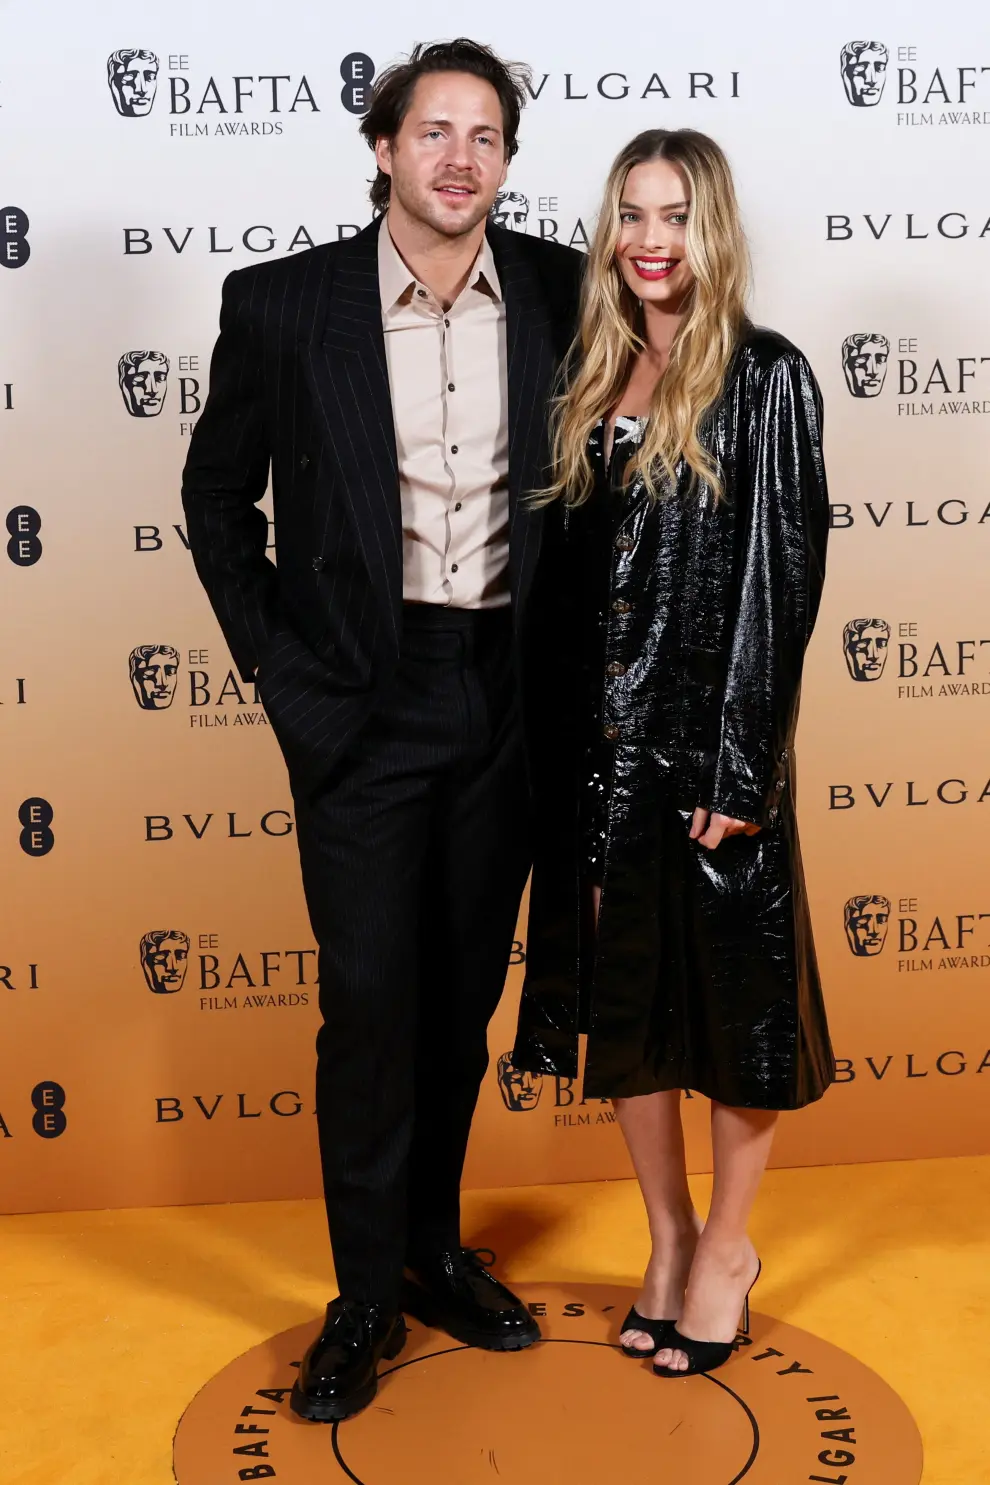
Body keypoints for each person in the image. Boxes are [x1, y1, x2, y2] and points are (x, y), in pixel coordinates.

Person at [181, 38, 583, 1422]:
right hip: (363, 700)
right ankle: (360, 1298)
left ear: (507, 164)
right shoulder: (285, 307)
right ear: (383, 148)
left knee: (458, 1004)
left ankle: (427, 1250)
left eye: (485, 135)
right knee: (369, 1008)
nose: (460, 155)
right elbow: (217, 506)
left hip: (506, 700)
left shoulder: (558, 290)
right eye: (434, 131)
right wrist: (288, 688)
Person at [514, 128, 835, 1378]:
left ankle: (729, 1252)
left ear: (715, 230)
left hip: (704, 756)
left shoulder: (767, 377)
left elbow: (781, 581)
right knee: (624, 1006)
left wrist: (739, 772)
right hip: (595, 754)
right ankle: (667, 1235)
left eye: (677, 216)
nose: (653, 240)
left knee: (732, 1007)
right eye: (633, 215)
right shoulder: (587, 373)